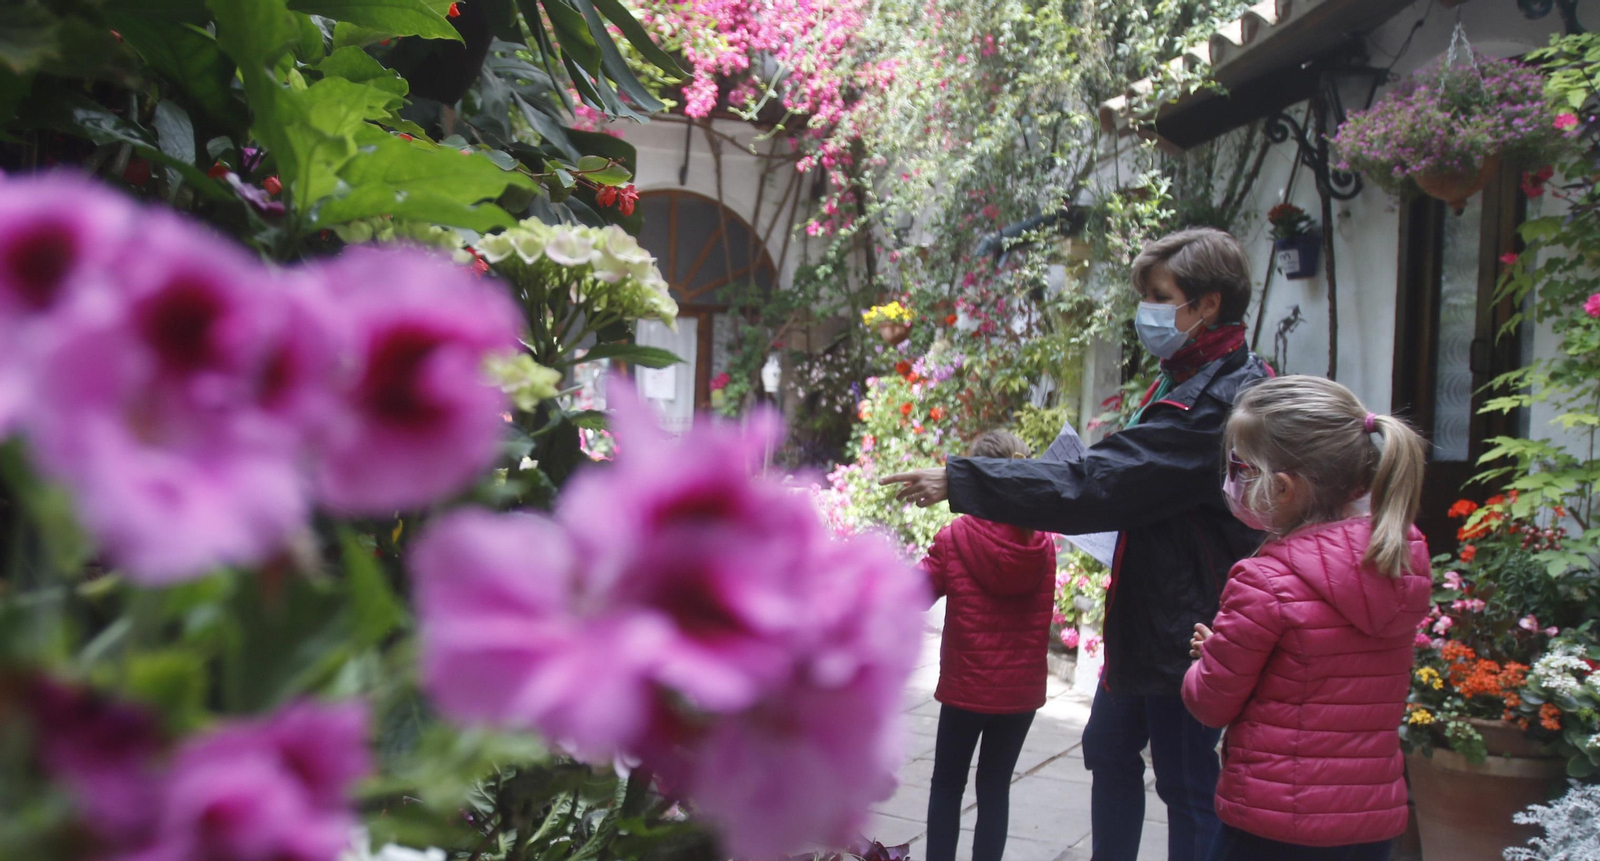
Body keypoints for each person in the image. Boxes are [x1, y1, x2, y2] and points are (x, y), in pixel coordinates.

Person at [882, 228, 1270, 861]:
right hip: (1146, 621)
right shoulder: (1187, 378)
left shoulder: (1220, 400)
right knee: (1109, 751)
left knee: (1185, 783)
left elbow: (1100, 481)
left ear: (1208, 305)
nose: (1147, 310)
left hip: (1186, 625)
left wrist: (962, 480)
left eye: (1160, 296)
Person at [1183, 376, 1431, 861]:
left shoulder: (1265, 580)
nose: (1232, 480)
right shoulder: (1398, 562)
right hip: (1369, 824)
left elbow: (1210, 703)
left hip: (1273, 822)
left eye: (1239, 467)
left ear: (1282, 487)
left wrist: (1209, 659)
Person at [919, 430, 1057, 861]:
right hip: (1020, 694)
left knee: (947, 785)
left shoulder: (956, 537)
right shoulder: (1043, 543)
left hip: (967, 687)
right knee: (995, 788)